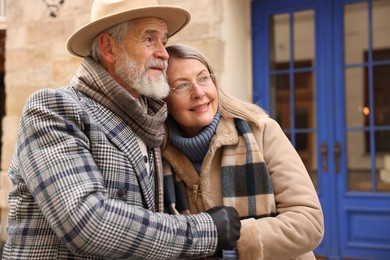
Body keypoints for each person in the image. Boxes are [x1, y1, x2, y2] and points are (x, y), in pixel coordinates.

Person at [3, 1, 241, 259]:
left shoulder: (151, 118)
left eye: (164, 41)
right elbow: (88, 224)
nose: (164, 54)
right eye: (150, 39)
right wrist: (207, 230)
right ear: (108, 47)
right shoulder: (54, 108)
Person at [162, 44, 325, 260]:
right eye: (181, 85)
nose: (199, 93)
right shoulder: (157, 156)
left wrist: (231, 244)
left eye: (203, 78)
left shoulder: (262, 132)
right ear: (163, 99)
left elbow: (308, 223)